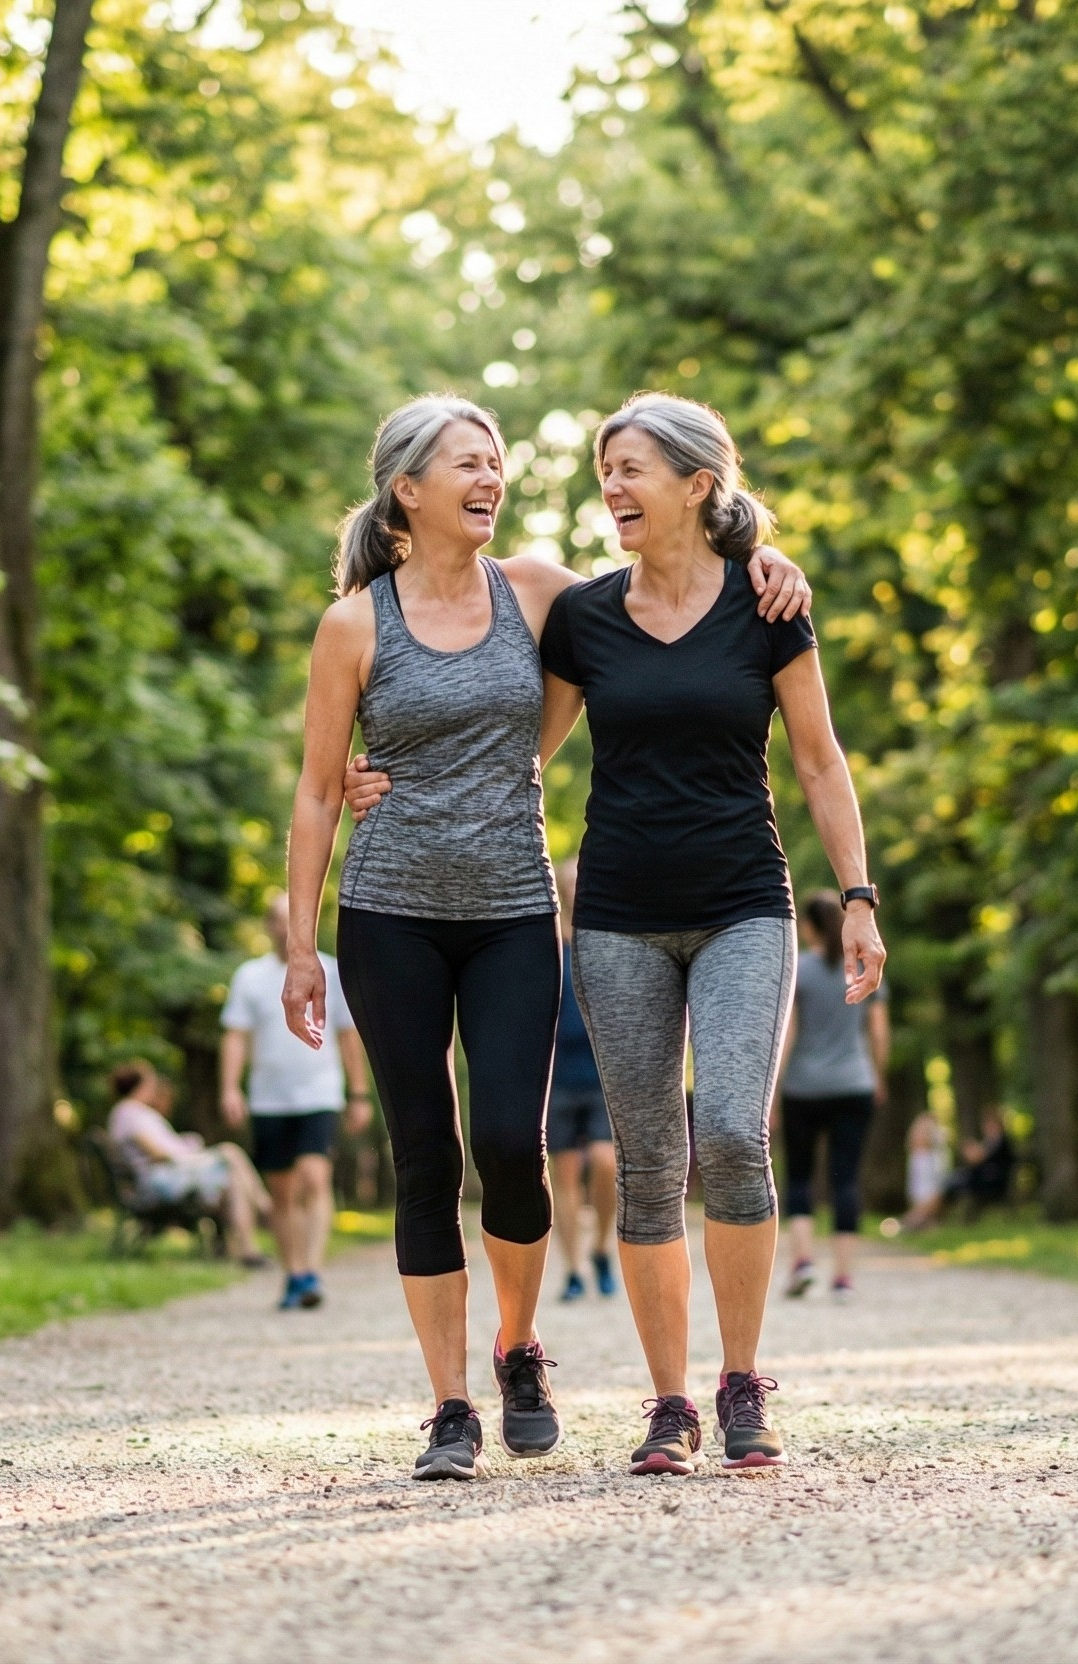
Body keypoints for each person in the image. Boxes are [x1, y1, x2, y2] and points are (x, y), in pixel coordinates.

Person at [289, 394, 812, 1482]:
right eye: (468, 463)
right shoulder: (353, 625)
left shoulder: (537, 591)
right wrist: (303, 943)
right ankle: (450, 1407)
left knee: (507, 1145)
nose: (492, 477)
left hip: (516, 911)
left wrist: (767, 562)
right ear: (407, 489)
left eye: (496, 461)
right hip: (388, 910)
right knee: (424, 1151)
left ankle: (518, 1347)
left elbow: (668, 594)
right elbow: (315, 790)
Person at [539, 392, 884, 1476]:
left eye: (630, 468)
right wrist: (390, 780)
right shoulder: (585, 618)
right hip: (617, 920)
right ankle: (669, 1405)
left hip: (744, 904)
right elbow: (521, 754)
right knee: (649, 1163)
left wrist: (859, 896)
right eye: (604, 470)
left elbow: (820, 759)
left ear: (697, 484)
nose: (612, 486)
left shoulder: (768, 605)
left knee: (732, 1128)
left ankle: (741, 1380)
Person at [223, 894, 373, 1311]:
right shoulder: (249, 977)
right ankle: (292, 1273)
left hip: (319, 1093)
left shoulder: (331, 970)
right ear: (269, 926)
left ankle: (311, 1273)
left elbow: (348, 1035)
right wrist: (230, 1088)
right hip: (269, 1098)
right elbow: (235, 1036)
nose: (288, 926)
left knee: (314, 1177)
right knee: (282, 1191)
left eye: (294, 917)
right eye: (279, 919)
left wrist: (358, 1093)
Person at [777, 889, 889, 1302]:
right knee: (846, 1178)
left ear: (808, 927)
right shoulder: (863, 964)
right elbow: (878, 1030)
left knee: (800, 1176)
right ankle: (843, 1279)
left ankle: (803, 1263)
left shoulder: (799, 970)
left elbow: (787, 1032)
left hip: (802, 1087)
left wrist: (774, 1088)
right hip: (854, 1084)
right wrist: (878, 1075)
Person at [104, 1063, 271, 1265]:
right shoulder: (129, 1113)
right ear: (140, 1086)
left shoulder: (133, 1112)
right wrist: (190, 1155)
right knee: (230, 1153)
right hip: (159, 1182)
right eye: (150, 1083)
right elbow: (158, 1153)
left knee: (232, 1173)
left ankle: (248, 1246)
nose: (153, 1088)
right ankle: (264, 1213)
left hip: (167, 1175)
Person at [547, 859, 618, 1303]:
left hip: (601, 1074)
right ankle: (573, 1270)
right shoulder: (546, 942)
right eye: (568, 881)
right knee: (566, 1174)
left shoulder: (606, 936)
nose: (575, 887)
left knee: (606, 1163)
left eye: (580, 880)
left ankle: (602, 1247)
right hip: (556, 1078)